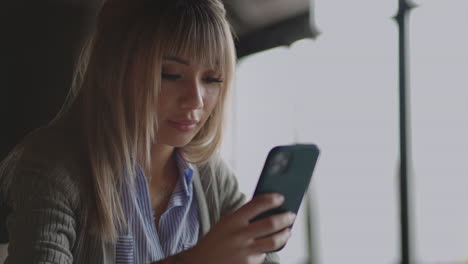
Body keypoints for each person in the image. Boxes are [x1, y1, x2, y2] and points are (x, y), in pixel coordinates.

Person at [0, 0, 296, 263]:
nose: (195, 100)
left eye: (212, 78)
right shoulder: (51, 167)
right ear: (113, 70)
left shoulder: (210, 176)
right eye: (170, 74)